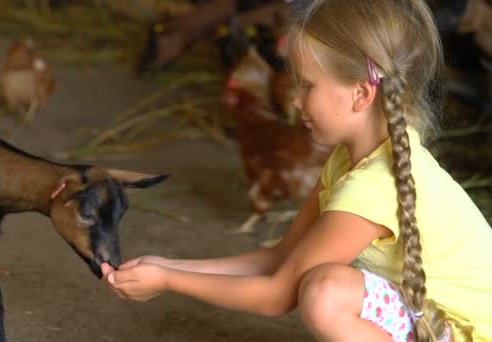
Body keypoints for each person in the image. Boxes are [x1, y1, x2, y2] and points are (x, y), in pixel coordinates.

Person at [102, 0, 492, 341]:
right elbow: (282, 258)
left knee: (325, 293)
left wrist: (171, 282)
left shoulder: (371, 190)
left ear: (361, 93)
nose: (294, 98)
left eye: (307, 86)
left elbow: (277, 295)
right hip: (437, 321)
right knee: (325, 285)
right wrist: (166, 265)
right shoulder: (351, 158)